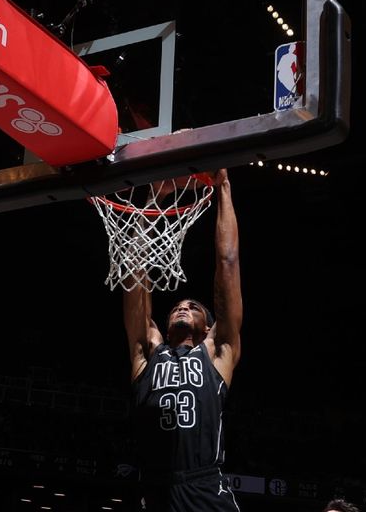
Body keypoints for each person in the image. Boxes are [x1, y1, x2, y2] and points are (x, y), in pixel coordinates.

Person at [123, 168, 242, 512]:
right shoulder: (147, 351)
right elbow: (134, 273)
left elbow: (228, 263)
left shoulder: (218, 351)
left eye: (192, 306)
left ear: (207, 328)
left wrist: (224, 187)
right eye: (177, 305)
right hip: (155, 486)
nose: (183, 307)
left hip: (204, 486)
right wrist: (153, 200)